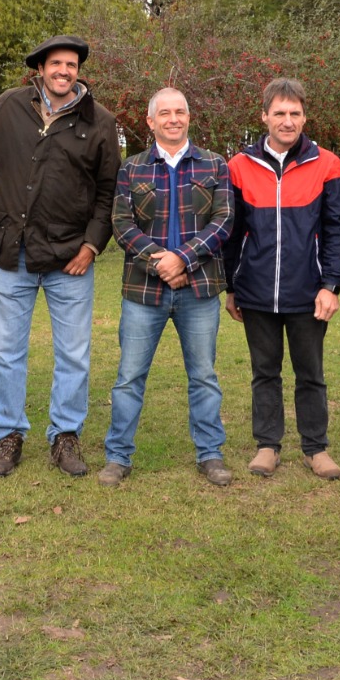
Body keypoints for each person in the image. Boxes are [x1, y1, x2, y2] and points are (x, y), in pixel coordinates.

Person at [0, 34, 120, 477]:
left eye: (71, 64)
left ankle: (65, 434)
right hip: (10, 252)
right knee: (5, 351)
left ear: (79, 71)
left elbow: (107, 192)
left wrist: (92, 244)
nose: (63, 70)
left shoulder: (100, 121)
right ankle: (8, 434)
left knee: (74, 354)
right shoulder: (7, 107)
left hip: (69, 258)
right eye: (55, 63)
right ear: (40, 68)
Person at [98, 87, 235, 487]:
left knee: (204, 376)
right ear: (150, 121)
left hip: (199, 290)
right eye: (165, 113)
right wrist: (161, 261)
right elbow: (121, 225)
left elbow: (224, 220)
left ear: (189, 118)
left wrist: (184, 259)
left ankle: (210, 454)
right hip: (145, 291)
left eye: (180, 112)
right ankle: (118, 457)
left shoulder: (214, 164)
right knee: (128, 377)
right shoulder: (133, 168)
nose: (173, 119)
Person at [223, 78, 340, 480]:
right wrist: (231, 286)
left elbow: (335, 231)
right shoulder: (240, 166)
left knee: (310, 373)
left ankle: (316, 448)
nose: (287, 120)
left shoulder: (326, 163)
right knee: (265, 371)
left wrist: (331, 285)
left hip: (308, 292)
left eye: (295, 113)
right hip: (256, 290)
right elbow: (231, 232)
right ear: (264, 116)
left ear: (305, 117)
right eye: (279, 113)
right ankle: (267, 445)